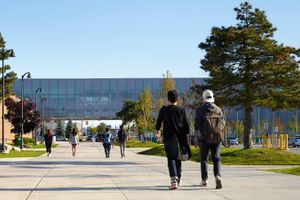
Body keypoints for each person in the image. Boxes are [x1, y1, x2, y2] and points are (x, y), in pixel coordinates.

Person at [156, 90, 190, 190]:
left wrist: (158, 130)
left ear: (168, 98)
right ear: (177, 98)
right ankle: (178, 179)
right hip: (180, 139)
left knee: (171, 158)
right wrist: (187, 140)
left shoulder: (164, 110)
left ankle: (174, 180)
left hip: (168, 138)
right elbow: (187, 125)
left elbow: (158, 123)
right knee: (178, 158)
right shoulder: (181, 110)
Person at [194, 89, 224, 189]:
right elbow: (223, 124)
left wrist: (196, 137)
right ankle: (218, 176)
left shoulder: (200, 110)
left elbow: (197, 125)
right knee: (216, 158)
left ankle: (205, 180)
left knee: (204, 159)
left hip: (204, 138)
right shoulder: (218, 109)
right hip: (217, 137)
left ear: (203, 98)